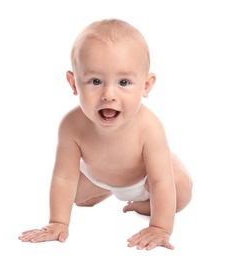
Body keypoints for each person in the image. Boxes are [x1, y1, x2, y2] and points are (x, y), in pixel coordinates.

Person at [18, 18, 193, 250]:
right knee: (75, 197)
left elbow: (161, 181)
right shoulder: (71, 125)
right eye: (95, 81)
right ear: (73, 83)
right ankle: (110, 191)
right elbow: (63, 176)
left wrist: (160, 227)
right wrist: (58, 222)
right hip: (99, 177)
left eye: (123, 82)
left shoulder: (149, 127)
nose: (109, 94)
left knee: (179, 193)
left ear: (146, 85)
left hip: (146, 179)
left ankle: (142, 203)